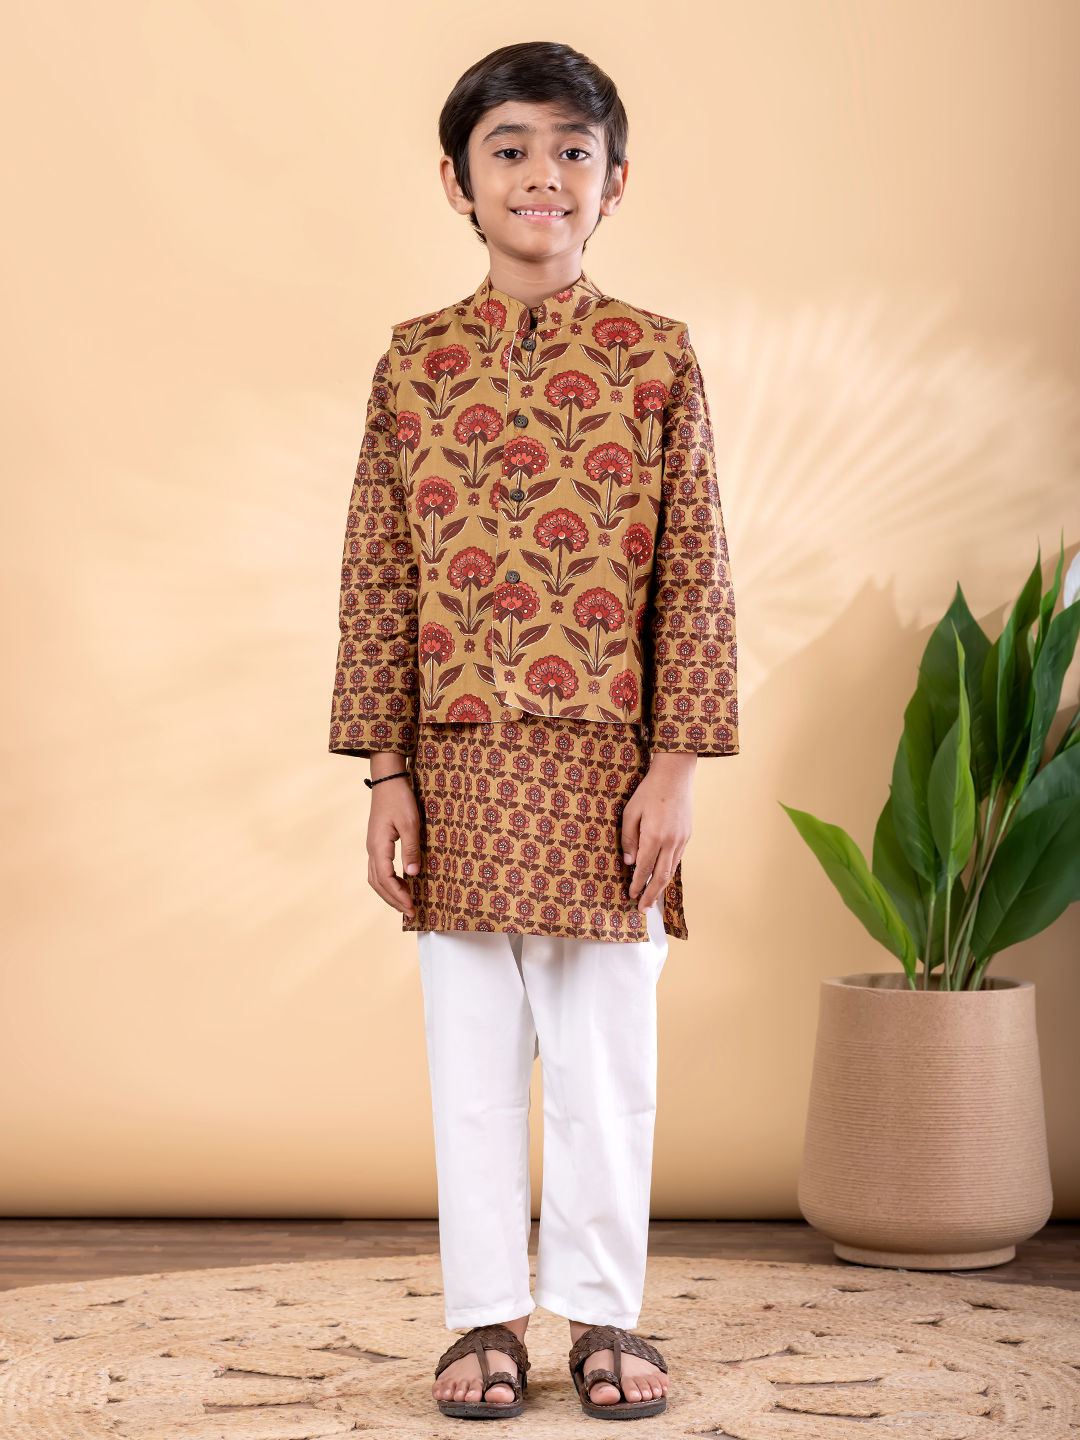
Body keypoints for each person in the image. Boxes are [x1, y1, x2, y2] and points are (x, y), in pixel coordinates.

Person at [328, 39, 738, 1421]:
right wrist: (386, 770)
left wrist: (674, 771)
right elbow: (378, 570)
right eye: (509, 149)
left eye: (573, 149)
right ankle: (483, 1321)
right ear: (458, 181)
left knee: (607, 1068)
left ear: (616, 182)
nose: (541, 174)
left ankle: (607, 1316)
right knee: (472, 1070)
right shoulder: (413, 363)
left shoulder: (656, 356)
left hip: (610, 768)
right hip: (452, 765)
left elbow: (696, 574)